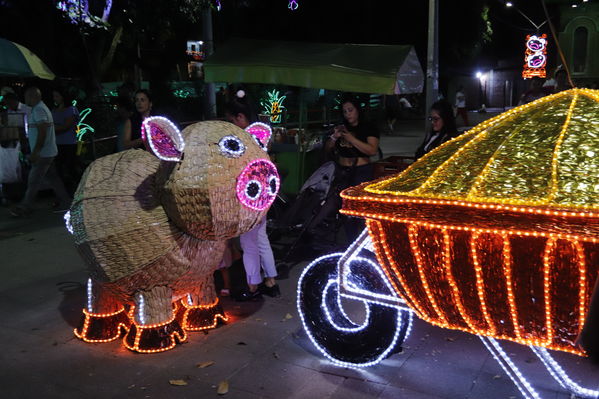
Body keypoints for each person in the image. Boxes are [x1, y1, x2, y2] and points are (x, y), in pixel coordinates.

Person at [224, 93, 280, 301]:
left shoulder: (243, 139)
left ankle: (253, 285)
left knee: (248, 243)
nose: (230, 125)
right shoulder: (260, 135)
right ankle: (271, 281)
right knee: (261, 239)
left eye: (230, 120)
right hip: (263, 195)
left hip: (250, 196)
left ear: (239, 117)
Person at [323, 95, 380, 242]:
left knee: (359, 209)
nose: (348, 114)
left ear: (357, 110)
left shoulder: (368, 127)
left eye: (350, 110)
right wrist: (334, 137)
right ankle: (349, 240)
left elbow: (372, 150)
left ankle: (361, 243)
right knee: (344, 208)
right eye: (345, 111)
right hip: (343, 170)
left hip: (361, 171)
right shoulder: (342, 126)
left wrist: (351, 139)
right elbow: (328, 148)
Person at [9, 87, 71, 217]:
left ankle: (25, 206)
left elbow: (42, 132)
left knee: (34, 180)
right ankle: (66, 201)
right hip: (48, 152)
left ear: (32, 97)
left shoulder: (38, 110)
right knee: (53, 178)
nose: (25, 100)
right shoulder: (40, 108)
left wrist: (36, 152)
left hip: (43, 153)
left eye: (26, 97)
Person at [51, 87, 80, 195]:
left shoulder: (71, 109)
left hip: (69, 144)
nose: (55, 98)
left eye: (57, 96)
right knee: (59, 169)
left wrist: (52, 127)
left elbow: (66, 126)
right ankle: (67, 193)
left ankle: (76, 190)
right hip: (58, 143)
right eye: (54, 96)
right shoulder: (54, 110)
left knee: (69, 168)